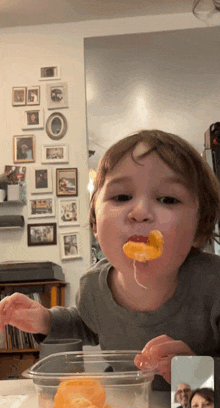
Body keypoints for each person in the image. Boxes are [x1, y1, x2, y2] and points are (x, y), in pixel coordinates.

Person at [1, 129, 220, 390]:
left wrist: (193, 373)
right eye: (121, 197)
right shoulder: (93, 287)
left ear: (199, 228)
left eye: (167, 199)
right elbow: (87, 324)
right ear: (95, 223)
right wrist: (46, 320)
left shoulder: (213, 286)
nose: (140, 213)